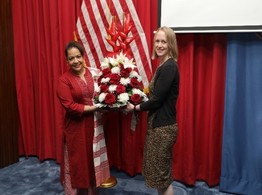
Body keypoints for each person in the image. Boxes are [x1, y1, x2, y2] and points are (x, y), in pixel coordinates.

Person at [126, 26, 180, 195]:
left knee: (162, 179)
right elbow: (152, 94)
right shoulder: (162, 66)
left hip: (163, 129)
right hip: (158, 127)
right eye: (157, 41)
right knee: (159, 177)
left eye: (164, 41)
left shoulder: (169, 67)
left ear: (170, 44)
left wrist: (135, 107)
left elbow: (156, 100)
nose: (160, 45)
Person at [56, 41, 98, 195]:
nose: (75, 61)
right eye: (71, 58)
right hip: (75, 128)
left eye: (78, 57)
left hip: (94, 126)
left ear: (83, 56)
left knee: (91, 161)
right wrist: (95, 108)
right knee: (76, 162)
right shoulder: (64, 80)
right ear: (67, 61)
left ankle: (91, 191)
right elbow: (70, 107)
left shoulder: (92, 73)